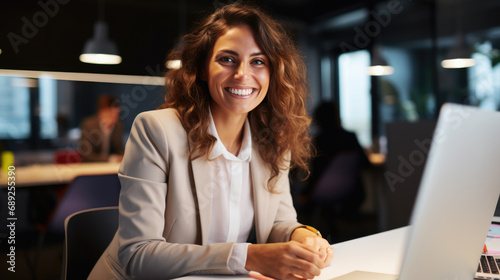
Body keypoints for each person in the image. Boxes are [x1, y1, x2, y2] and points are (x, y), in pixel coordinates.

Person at [89, 3, 333, 280]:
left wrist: (304, 236)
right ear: (203, 69)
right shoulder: (157, 130)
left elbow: (280, 220)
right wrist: (249, 256)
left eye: (258, 61)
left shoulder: (272, 141)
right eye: (227, 59)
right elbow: (138, 255)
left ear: (272, 72)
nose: (243, 74)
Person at [78, 94, 124, 162]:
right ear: (101, 112)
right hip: (91, 167)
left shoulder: (118, 126)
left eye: (116, 115)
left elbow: (120, 152)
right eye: (110, 114)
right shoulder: (88, 125)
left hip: (111, 168)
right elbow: (86, 155)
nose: (114, 120)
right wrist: (111, 159)